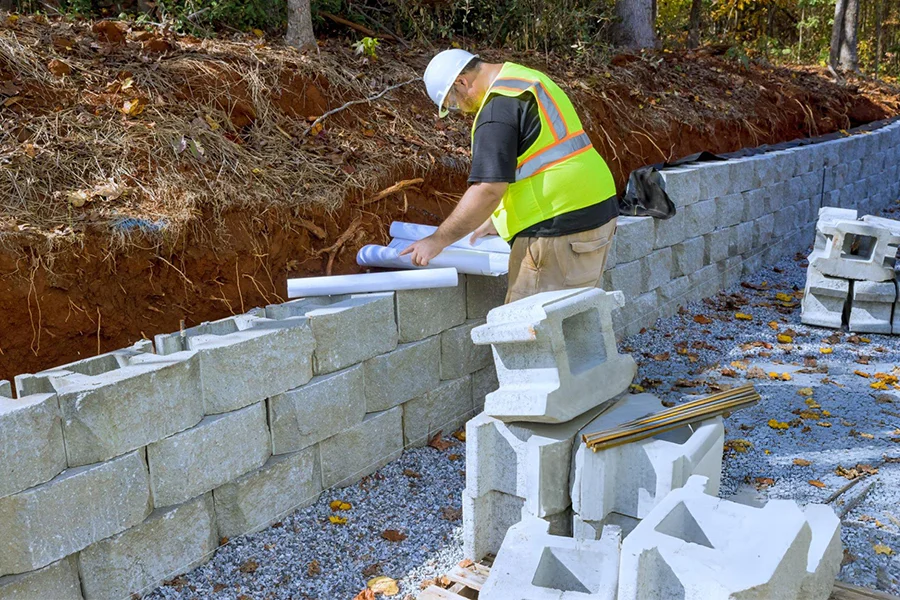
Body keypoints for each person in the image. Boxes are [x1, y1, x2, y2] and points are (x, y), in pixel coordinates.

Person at [400, 49, 619, 303]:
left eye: (452, 102)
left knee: (525, 331)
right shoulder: (524, 79)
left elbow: (488, 189)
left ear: (461, 81)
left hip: (558, 228)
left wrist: (437, 240)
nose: (458, 109)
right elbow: (539, 153)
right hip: (595, 210)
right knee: (573, 320)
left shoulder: (495, 112)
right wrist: (498, 219)